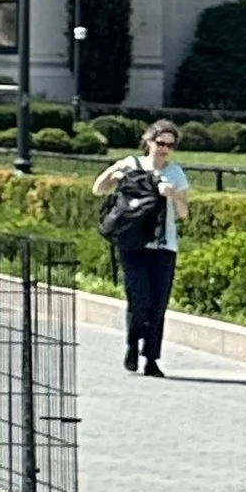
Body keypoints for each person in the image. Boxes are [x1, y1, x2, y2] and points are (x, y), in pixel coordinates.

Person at [95, 118, 189, 374]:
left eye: (170, 145)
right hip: (133, 243)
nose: (165, 149)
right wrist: (113, 174)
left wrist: (175, 194)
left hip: (164, 245)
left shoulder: (175, 173)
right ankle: (132, 344)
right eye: (160, 143)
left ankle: (151, 358)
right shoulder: (131, 164)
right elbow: (98, 189)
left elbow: (183, 214)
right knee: (138, 298)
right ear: (149, 141)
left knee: (157, 305)